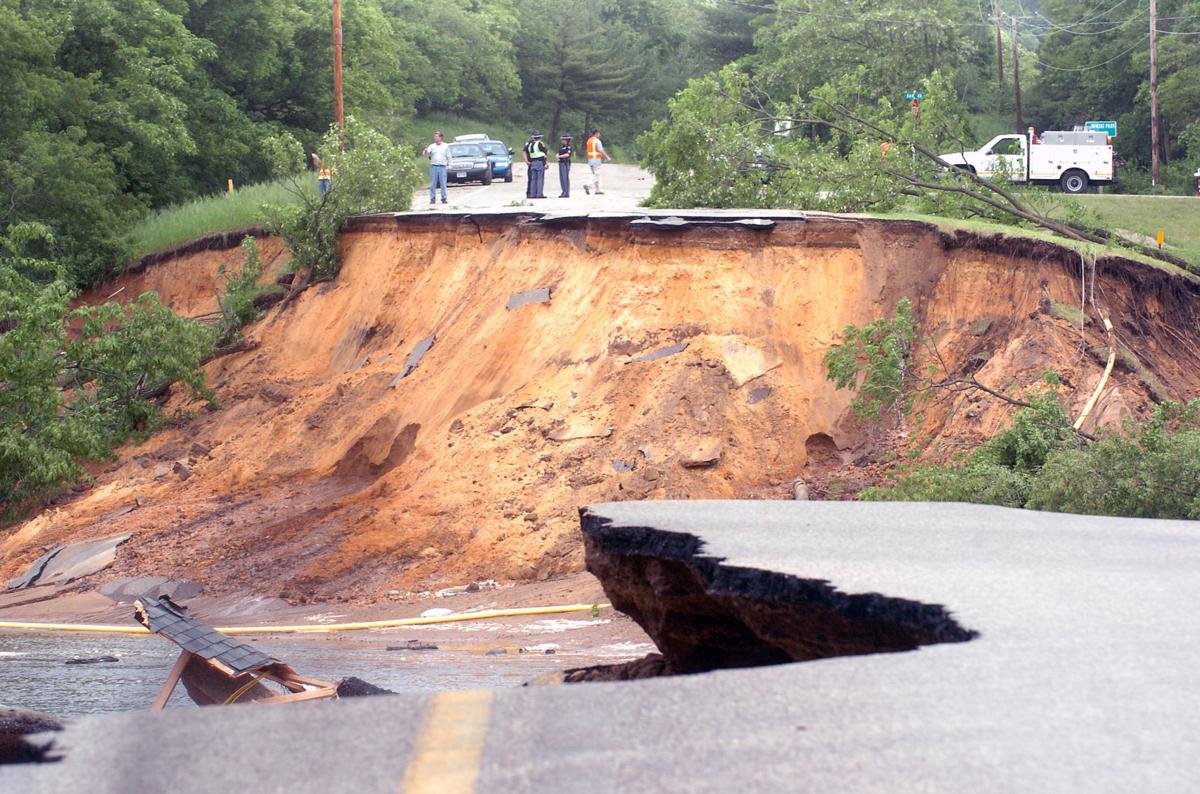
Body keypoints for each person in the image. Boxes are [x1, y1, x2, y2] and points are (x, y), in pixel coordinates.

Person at [423, 131, 450, 204]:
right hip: (434, 166)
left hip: (442, 167)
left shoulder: (445, 146)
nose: (435, 138)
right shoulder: (432, 146)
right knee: (433, 184)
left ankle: (444, 198)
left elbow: (448, 156)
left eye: (437, 137)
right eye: (434, 137)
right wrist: (426, 151)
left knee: (443, 183)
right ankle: (432, 198)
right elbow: (427, 152)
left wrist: (449, 165)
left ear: (440, 137)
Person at [583, 128, 611, 195]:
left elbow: (588, 150)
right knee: (596, 175)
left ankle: (597, 190)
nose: (600, 135)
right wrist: (607, 157)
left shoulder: (589, 141)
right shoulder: (597, 141)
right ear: (596, 133)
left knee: (595, 174)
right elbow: (600, 150)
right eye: (599, 133)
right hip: (596, 160)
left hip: (590, 160)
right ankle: (588, 185)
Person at [523, 130, 548, 199]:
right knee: (540, 178)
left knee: (533, 179)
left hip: (532, 162)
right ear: (539, 137)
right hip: (540, 162)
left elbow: (525, 151)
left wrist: (527, 161)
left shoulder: (530, 144)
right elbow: (545, 152)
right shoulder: (540, 144)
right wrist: (546, 163)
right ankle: (539, 194)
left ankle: (532, 194)